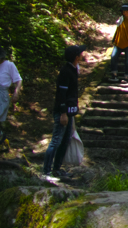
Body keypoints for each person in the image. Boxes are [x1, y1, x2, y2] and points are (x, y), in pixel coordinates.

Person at [44, 45, 85, 180]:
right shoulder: (66, 71)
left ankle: (57, 169)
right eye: (80, 54)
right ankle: (46, 171)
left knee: (65, 141)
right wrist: (63, 113)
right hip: (63, 112)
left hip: (70, 112)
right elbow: (61, 94)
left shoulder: (73, 69)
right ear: (76, 57)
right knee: (56, 140)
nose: (82, 55)